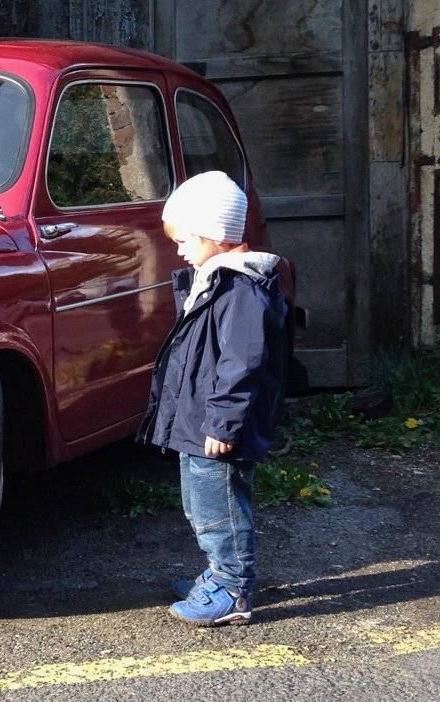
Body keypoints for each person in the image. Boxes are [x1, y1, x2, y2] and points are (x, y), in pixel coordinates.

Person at [137, 170, 289, 626]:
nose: (179, 251)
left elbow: (242, 363)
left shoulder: (240, 291)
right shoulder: (215, 281)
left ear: (215, 234)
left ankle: (232, 589)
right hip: (200, 423)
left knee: (218, 509)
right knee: (201, 504)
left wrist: (223, 423)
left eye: (185, 240)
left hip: (218, 429)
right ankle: (220, 571)